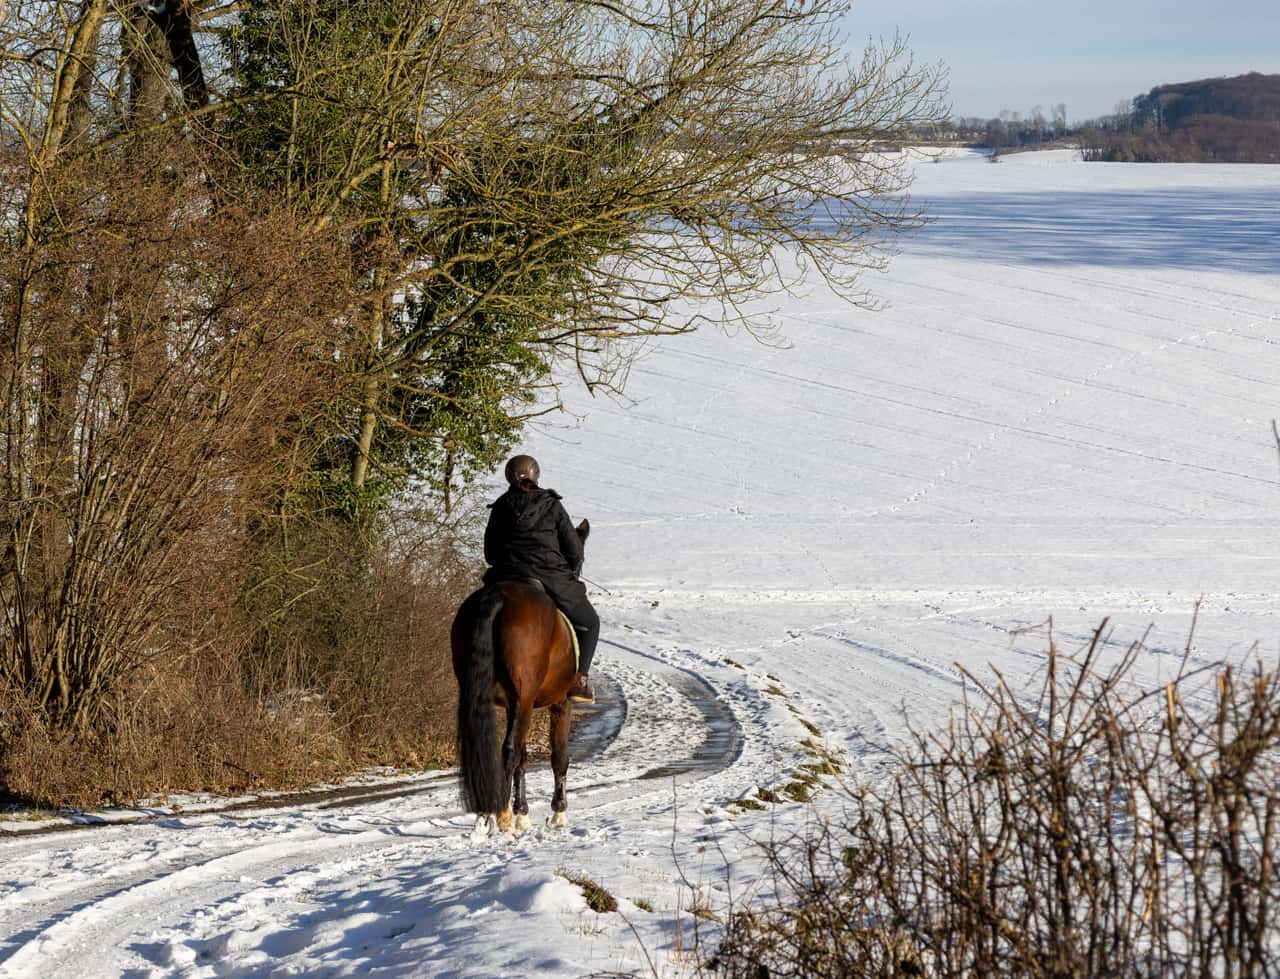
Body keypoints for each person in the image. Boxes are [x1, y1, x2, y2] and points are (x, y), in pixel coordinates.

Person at [483, 454, 600, 704]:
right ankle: (580, 680)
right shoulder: (551, 505)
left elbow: (490, 553)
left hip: (505, 575)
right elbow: (573, 549)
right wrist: (565, 566)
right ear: (536, 474)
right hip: (548, 575)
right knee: (591, 623)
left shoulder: (501, 505)